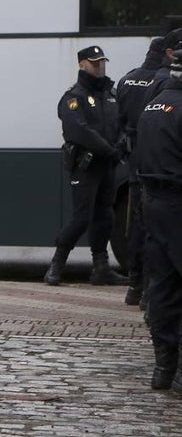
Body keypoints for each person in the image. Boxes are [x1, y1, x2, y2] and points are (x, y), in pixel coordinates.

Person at [43, 45, 125, 287]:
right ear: (82, 64)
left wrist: (120, 145)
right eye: (94, 62)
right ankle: (56, 265)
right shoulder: (73, 97)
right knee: (82, 217)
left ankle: (101, 268)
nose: (100, 65)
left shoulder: (111, 93)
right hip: (86, 165)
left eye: (102, 61)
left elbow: (121, 123)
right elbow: (78, 130)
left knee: (105, 216)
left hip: (107, 165)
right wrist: (109, 150)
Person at [134, 52, 182, 391]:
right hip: (178, 202)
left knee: (163, 284)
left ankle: (163, 368)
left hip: (153, 202)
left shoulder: (152, 106)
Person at [115, 36, 167, 308]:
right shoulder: (162, 80)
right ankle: (149, 289)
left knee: (137, 226)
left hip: (134, 161)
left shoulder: (127, 79)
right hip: (156, 163)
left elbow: (118, 121)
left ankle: (134, 286)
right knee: (156, 229)